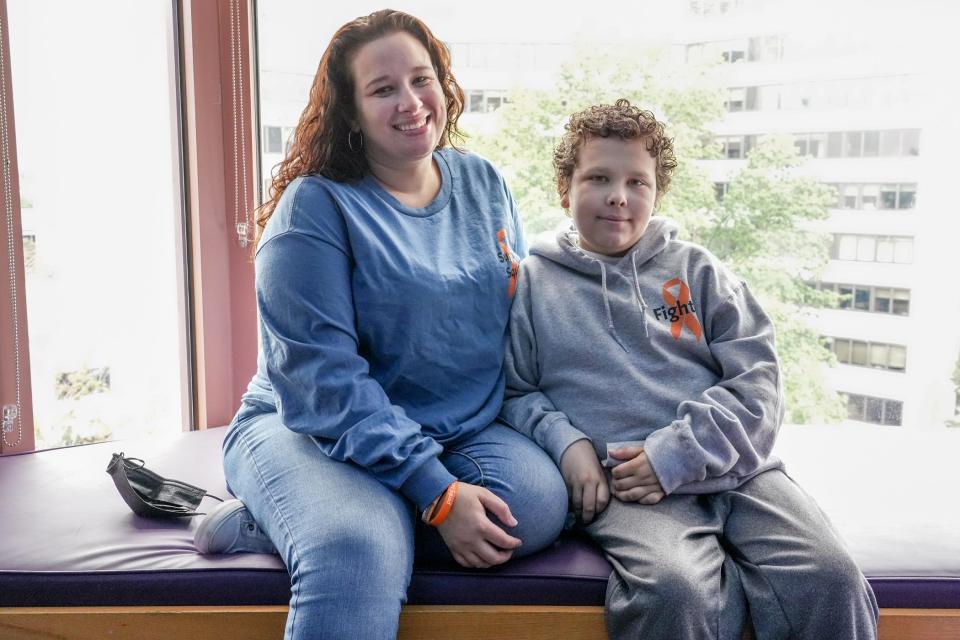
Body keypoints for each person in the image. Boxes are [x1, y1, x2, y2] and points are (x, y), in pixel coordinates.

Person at [192, 10, 568, 640]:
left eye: (422, 80)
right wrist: (438, 494)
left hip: (452, 426)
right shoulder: (313, 207)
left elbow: (520, 323)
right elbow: (322, 381)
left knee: (532, 507)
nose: (411, 102)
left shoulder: (482, 181)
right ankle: (325, 521)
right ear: (351, 111)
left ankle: (285, 523)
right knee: (358, 549)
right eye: (383, 89)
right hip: (307, 426)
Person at [500, 99, 879, 639]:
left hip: (738, 473)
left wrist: (678, 452)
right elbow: (516, 391)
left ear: (657, 193)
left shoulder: (697, 270)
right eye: (599, 178)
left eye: (638, 182)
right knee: (674, 590)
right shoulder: (533, 284)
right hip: (630, 489)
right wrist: (567, 443)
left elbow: (759, 382)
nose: (618, 196)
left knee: (831, 576)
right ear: (565, 189)